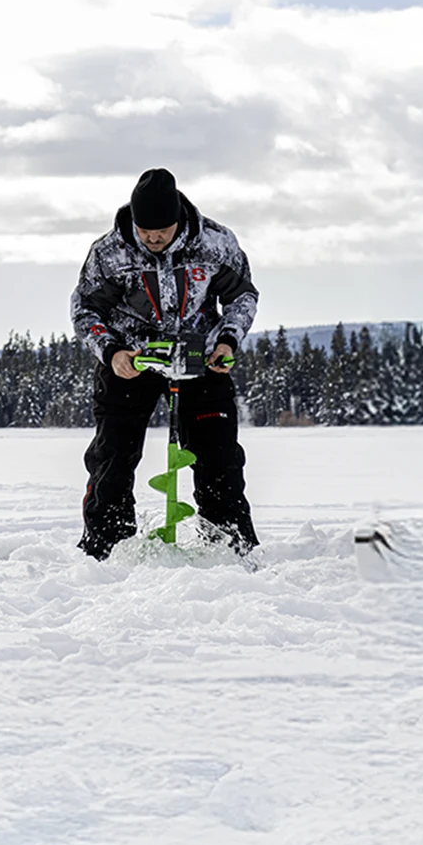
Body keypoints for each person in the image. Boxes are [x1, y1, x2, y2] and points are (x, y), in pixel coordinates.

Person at [70, 167, 262, 559]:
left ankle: (229, 546)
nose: (153, 239)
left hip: (199, 360)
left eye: (162, 231)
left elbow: (243, 296)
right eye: (145, 232)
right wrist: (111, 352)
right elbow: (85, 309)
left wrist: (227, 341)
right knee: (111, 458)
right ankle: (105, 550)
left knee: (219, 458)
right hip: (132, 361)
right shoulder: (109, 252)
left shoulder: (215, 243)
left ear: (178, 219)